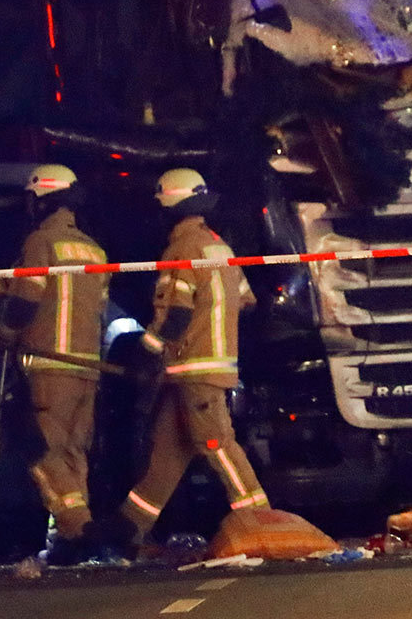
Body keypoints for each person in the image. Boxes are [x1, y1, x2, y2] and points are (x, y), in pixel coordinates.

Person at [111, 169, 269, 547]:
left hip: (193, 368)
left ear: (169, 206)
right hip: (211, 366)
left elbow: (175, 314)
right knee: (166, 454)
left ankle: (262, 521)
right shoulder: (219, 246)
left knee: (216, 443)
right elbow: (246, 300)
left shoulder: (181, 249)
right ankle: (127, 529)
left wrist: (145, 351)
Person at [0, 164, 110, 565]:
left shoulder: (40, 242)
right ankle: (73, 538)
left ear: (41, 199)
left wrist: (5, 333)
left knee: (41, 451)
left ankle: (77, 524)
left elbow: (26, 299)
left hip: (49, 366)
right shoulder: (94, 249)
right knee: (74, 453)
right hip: (88, 368)